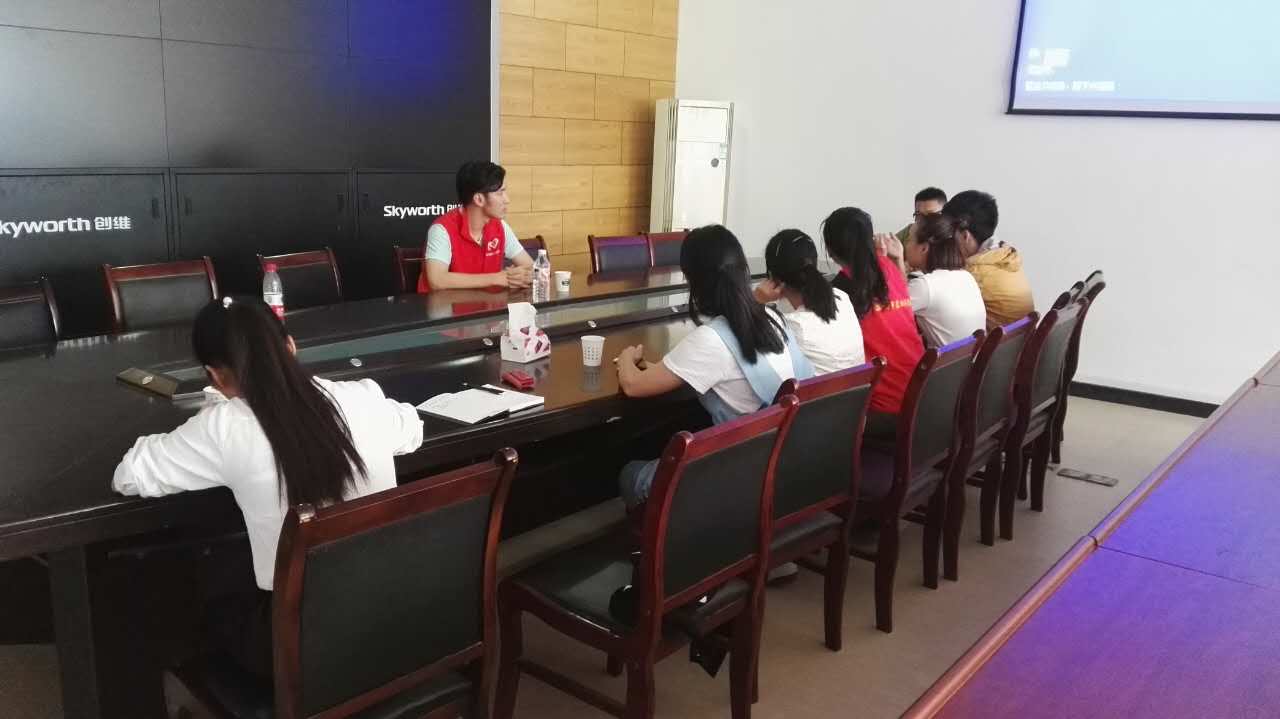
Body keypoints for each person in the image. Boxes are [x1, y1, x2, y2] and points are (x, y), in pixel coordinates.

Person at [112, 297, 424, 678]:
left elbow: (129, 474)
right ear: (291, 346)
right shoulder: (361, 397)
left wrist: (211, 414)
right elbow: (413, 429)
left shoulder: (224, 428)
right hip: (393, 621)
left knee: (200, 591)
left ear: (216, 377)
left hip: (302, 649)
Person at [614, 225, 815, 509]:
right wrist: (665, 367)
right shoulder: (774, 319)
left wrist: (626, 356)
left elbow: (633, 385)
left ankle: (666, 533)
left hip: (739, 482)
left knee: (630, 474)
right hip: (788, 470)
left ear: (694, 282)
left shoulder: (711, 339)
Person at [822, 207, 923, 425]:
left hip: (885, 411)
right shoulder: (890, 268)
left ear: (829, 250)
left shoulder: (839, 292)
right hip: (922, 398)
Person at [753, 228, 865, 374]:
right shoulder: (842, 298)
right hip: (853, 388)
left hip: (818, 389)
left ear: (774, 279)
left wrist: (755, 301)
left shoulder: (792, 327)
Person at [419, 160, 533, 292]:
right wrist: (496, 278)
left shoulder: (500, 226)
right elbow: (437, 280)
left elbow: (530, 266)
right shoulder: (441, 230)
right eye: (500, 193)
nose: (507, 200)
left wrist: (522, 276)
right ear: (479, 199)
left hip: (486, 303)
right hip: (443, 304)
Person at [942, 190, 1034, 329]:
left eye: (949, 235)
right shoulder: (1004, 255)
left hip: (996, 342)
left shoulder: (975, 273)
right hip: (1020, 340)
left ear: (965, 236)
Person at [895, 213, 987, 347]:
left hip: (947, 360)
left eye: (909, 240)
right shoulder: (966, 276)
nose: (905, 246)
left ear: (924, 248)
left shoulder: (925, 286)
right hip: (969, 359)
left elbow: (890, 311)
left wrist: (897, 259)